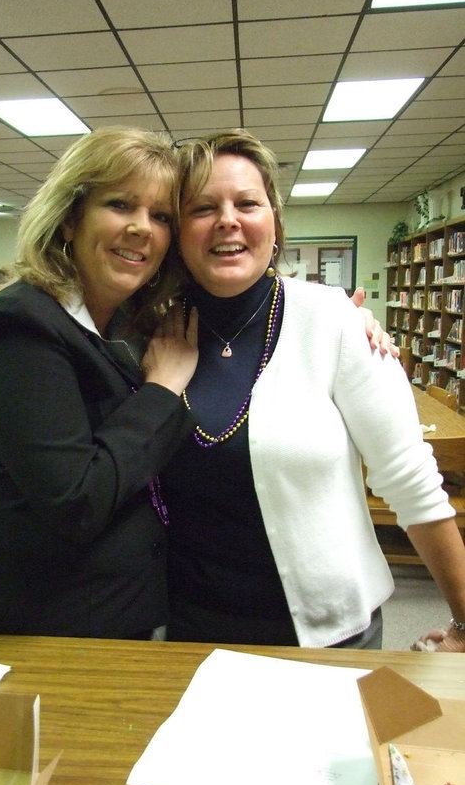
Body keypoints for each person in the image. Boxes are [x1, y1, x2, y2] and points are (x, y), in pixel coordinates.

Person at [161, 128, 465, 653]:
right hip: (185, 631)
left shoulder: (335, 323)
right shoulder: (149, 332)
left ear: (274, 223)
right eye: (202, 208)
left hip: (330, 636)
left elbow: (412, 482)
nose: (228, 220)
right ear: (178, 231)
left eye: (247, 203)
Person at [0, 127, 199, 639]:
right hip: (38, 629)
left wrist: (331, 319)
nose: (143, 228)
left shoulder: (129, 324)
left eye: (161, 215)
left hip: (120, 615)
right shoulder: (21, 324)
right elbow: (76, 501)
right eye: (121, 204)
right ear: (69, 217)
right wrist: (162, 392)